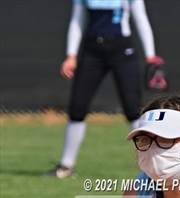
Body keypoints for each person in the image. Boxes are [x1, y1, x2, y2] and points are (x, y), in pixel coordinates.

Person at [49, 0, 166, 178]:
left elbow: (141, 18)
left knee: (133, 109)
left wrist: (150, 55)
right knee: (77, 107)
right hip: (92, 50)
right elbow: (77, 20)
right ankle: (66, 165)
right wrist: (71, 55)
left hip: (122, 50)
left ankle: (153, 166)